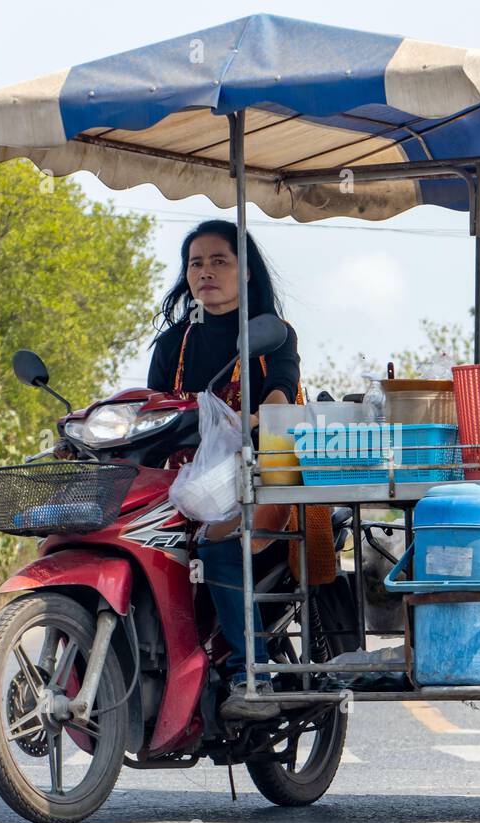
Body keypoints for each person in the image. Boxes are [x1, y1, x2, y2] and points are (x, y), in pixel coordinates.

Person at [147, 220, 299, 721]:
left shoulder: (274, 337)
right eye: (196, 263)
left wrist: (247, 420)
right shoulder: (172, 345)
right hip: (187, 483)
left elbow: (279, 396)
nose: (205, 272)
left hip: (260, 479)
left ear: (246, 272)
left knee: (218, 543)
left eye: (220, 261)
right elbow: (152, 415)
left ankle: (249, 673)